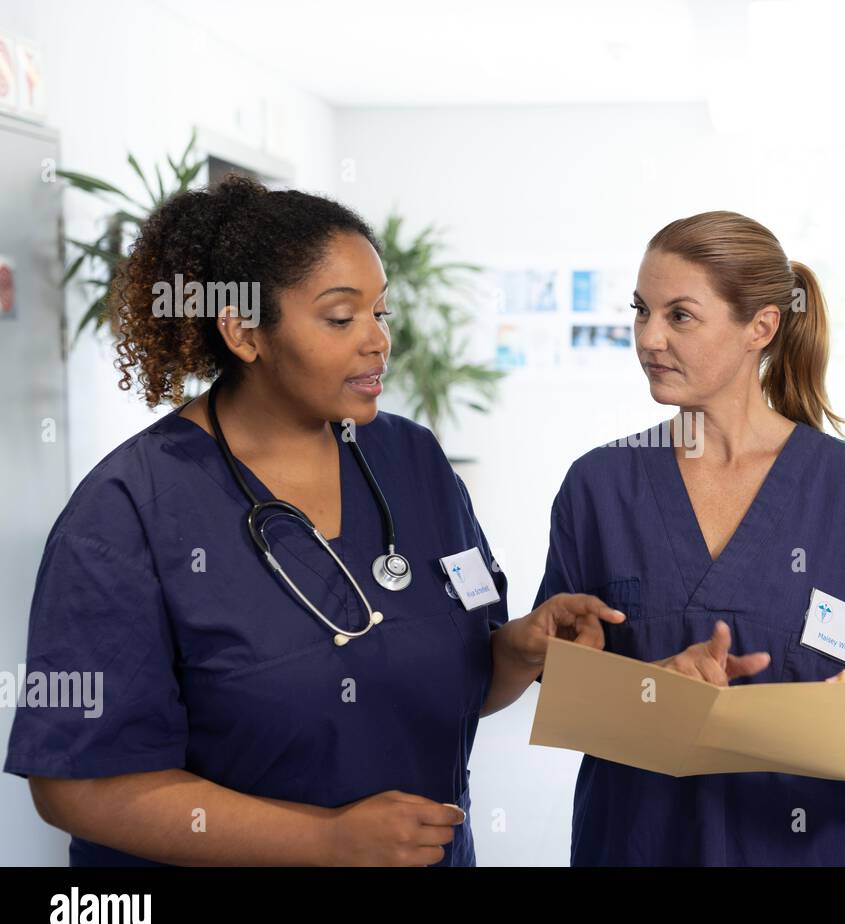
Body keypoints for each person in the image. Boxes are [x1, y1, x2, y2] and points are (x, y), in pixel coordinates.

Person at [3, 176, 621, 866]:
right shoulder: (127, 511)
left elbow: (455, 682)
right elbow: (74, 784)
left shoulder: (412, 460)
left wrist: (519, 650)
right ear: (243, 331)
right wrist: (322, 840)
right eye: (340, 317)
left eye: (381, 312)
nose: (378, 341)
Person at [535, 211, 845, 865]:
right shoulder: (600, 488)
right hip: (645, 843)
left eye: (680, 316)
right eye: (640, 311)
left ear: (760, 326)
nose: (648, 338)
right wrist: (652, 687)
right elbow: (556, 681)